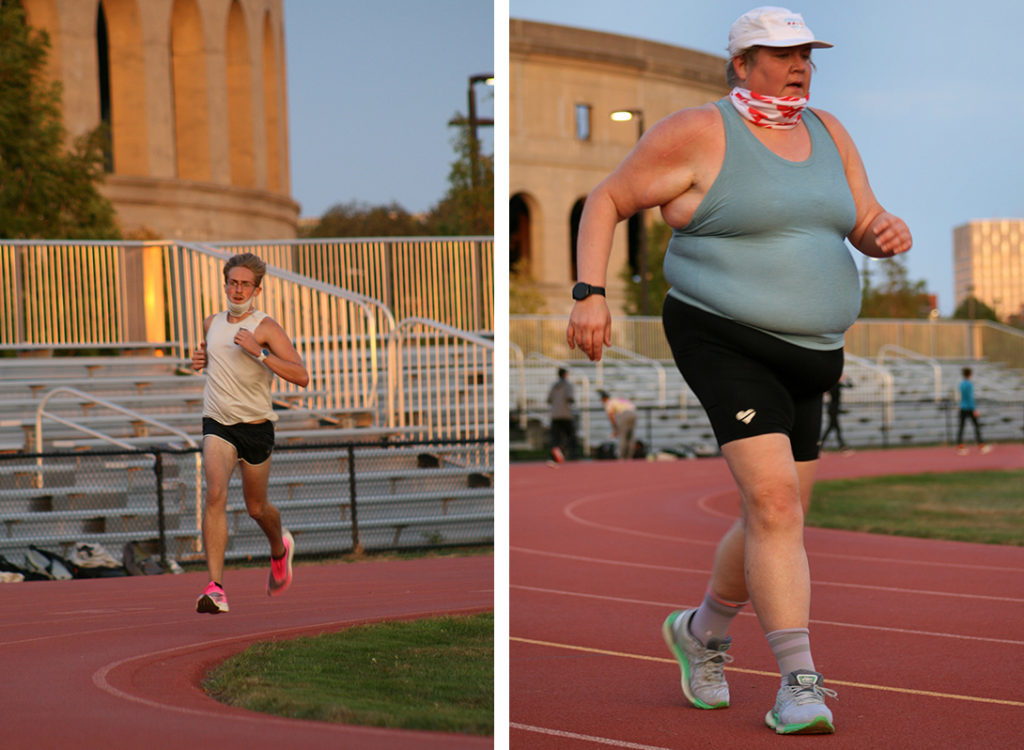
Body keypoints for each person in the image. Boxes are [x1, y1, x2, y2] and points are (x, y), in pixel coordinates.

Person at [567, 7, 911, 735]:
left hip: (814, 350)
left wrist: (884, 235)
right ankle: (800, 685)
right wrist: (590, 294)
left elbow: (861, 220)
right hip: (721, 334)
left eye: (807, 55)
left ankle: (702, 632)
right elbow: (608, 200)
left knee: (778, 511)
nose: (800, 67)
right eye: (782, 55)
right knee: (777, 505)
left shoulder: (829, 131)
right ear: (741, 64)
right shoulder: (699, 131)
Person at [191, 253, 310, 614]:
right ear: (224, 283)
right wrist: (200, 359)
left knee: (256, 508)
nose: (238, 289)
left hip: (256, 427)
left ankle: (279, 548)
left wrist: (260, 354)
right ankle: (215, 588)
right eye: (232, 282)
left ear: (257, 288)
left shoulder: (266, 327)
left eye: (245, 284)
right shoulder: (211, 322)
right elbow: (216, 356)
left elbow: (301, 376)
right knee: (214, 494)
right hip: (218, 422)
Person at [956, 367, 991, 454]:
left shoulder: (961, 384)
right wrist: (974, 409)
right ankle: (981, 445)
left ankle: (960, 447)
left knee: (961, 428)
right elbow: (970, 397)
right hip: (969, 408)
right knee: (976, 427)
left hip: (962, 407)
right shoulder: (969, 384)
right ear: (970, 374)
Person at [547, 367, 577, 462]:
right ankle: (572, 455)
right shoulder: (567, 385)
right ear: (565, 375)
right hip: (566, 415)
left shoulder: (554, 385)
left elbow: (549, 400)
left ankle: (553, 456)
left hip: (555, 415)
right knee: (570, 436)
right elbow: (570, 398)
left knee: (555, 438)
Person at [599, 390, 637, 460]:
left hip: (624, 414)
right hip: (634, 413)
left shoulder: (609, 403)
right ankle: (629, 456)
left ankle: (622, 457)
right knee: (630, 436)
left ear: (604, 399)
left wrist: (615, 428)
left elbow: (611, 416)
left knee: (623, 436)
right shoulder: (616, 399)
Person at [819, 374, 852, 452]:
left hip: (833, 409)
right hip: (833, 409)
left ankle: (821, 445)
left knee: (832, 428)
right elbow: (850, 386)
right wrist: (845, 380)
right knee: (835, 428)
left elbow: (850, 386)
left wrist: (846, 379)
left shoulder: (835, 385)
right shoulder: (835, 385)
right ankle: (842, 446)